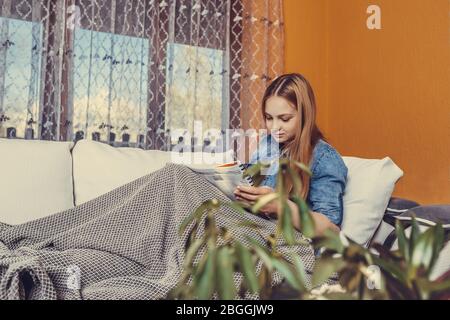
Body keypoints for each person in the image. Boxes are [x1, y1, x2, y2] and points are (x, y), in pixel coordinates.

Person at [233, 73, 348, 236]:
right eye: (269, 118)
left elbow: (331, 228)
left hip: (287, 243)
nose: (274, 127)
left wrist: (281, 206)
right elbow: (249, 181)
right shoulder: (267, 143)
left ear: (305, 115)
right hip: (252, 227)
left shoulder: (325, 158)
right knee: (185, 176)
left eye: (285, 119)